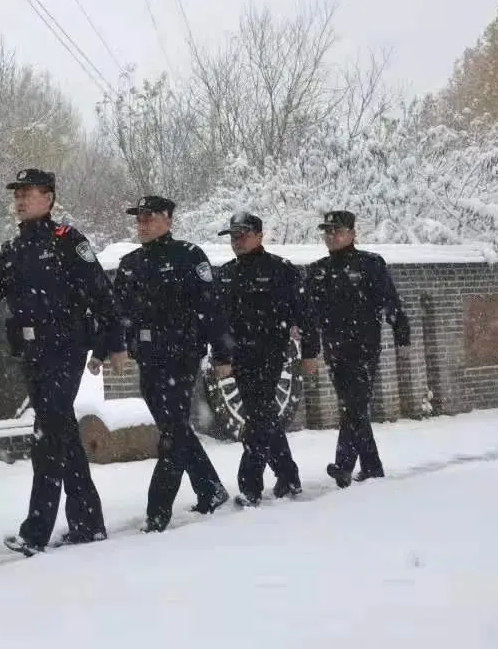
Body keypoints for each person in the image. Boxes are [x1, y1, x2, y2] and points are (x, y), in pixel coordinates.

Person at [0, 167, 125, 556]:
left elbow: (102, 295)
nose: (20, 199)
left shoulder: (68, 242)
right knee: (62, 433)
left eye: (29, 192)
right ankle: (89, 522)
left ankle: (36, 531)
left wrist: (114, 343)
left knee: (47, 436)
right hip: (31, 354)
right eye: (17, 193)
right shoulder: (11, 251)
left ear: (49, 198)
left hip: (65, 349)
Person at [105, 195, 232, 532]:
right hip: (148, 359)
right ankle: (211, 488)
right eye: (139, 218)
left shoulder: (188, 257)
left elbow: (211, 307)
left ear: (168, 220)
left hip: (181, 356)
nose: (142, 224)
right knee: (173, 428)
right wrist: (105, 349)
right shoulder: (131, 263)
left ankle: (157, 512)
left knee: (172, 434)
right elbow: (117, 314)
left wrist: (222, 352)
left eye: (150, 217)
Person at [299, 210, 411, 489]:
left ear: (352, 233)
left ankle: (344, 465)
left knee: (355, 404)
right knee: (354, 407)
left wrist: (402, 334)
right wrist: (309, 351)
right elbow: (309, 317)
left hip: (364, 347)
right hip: (335, 349)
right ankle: (372, 467)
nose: (331, 236)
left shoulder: (370, 264)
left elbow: (390, 300)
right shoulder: (317, 270)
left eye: (337, 231)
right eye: (327, 231)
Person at [215, 212, 303, 506]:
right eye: (233, 236)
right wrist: (221, 356)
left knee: (258, 417)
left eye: (243, 235)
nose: (237, 242)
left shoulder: (280, 270)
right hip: (239, 356)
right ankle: (289, 476)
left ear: (259, 236)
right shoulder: (225, 274)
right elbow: (218, 322)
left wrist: (312, 350)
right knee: (263, 417)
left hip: (270, 354)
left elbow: (303, 312)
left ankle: (250, 485)